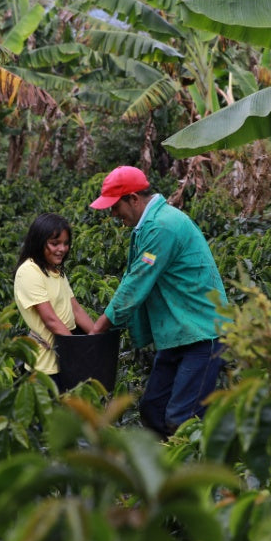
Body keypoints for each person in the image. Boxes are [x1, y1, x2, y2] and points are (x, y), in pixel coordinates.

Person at [89, 165, 229, 438]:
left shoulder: (162, 226)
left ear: (133, 199)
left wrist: (97, 330)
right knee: (153, 408)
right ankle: (161, 471)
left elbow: (135, 283)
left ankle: (195, 473)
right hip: (179, 332)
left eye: (115, 207)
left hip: (201, 332)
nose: (113, 214)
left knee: (182, 419)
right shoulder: (149, 226)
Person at [14, 213, 94, 391]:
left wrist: (97, 339)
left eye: (66, 244)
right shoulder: (29, 271)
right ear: (39, 242)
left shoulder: (56, 271)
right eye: (55, 243)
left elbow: (75, 309)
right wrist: (76, 352)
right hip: (45, 367)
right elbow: (50, 319)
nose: (62, 249)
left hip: (63, 361)